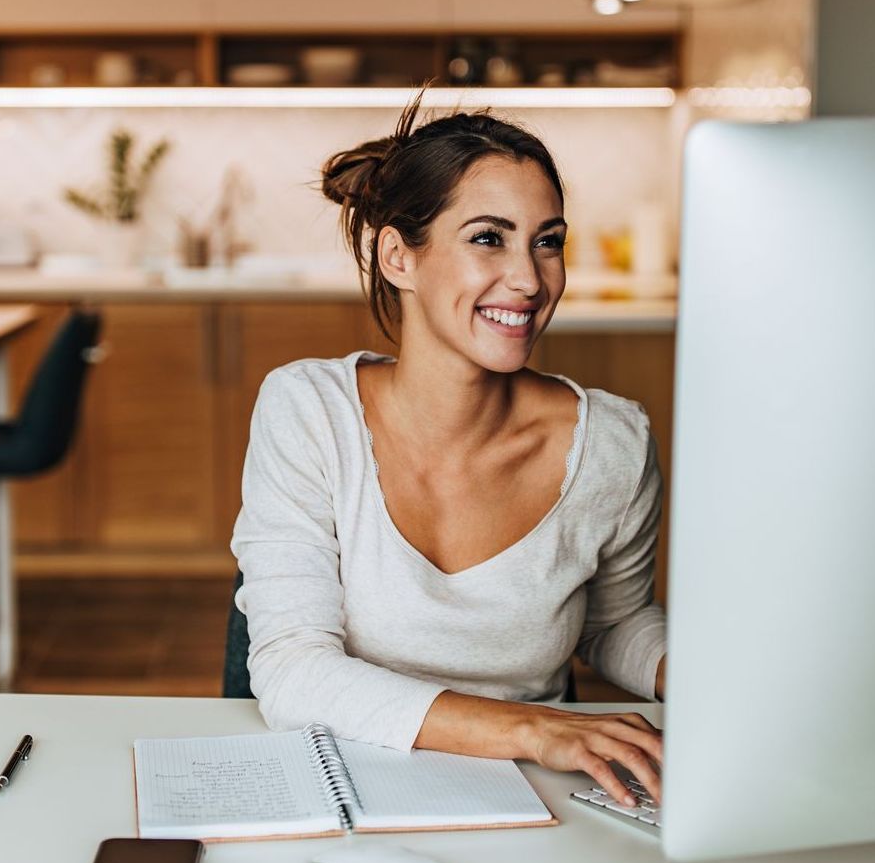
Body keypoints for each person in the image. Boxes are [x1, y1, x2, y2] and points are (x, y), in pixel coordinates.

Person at [230, 93, 666, 807]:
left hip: (540, 796)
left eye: (547, 240)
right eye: (488, 238)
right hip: (346, 780)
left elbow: (613, 621)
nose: (529, 280)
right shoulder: (309, 412)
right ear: (398, 256)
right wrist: (531, 729)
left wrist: (704, 672)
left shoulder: (613, 444)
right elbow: (291, 670)